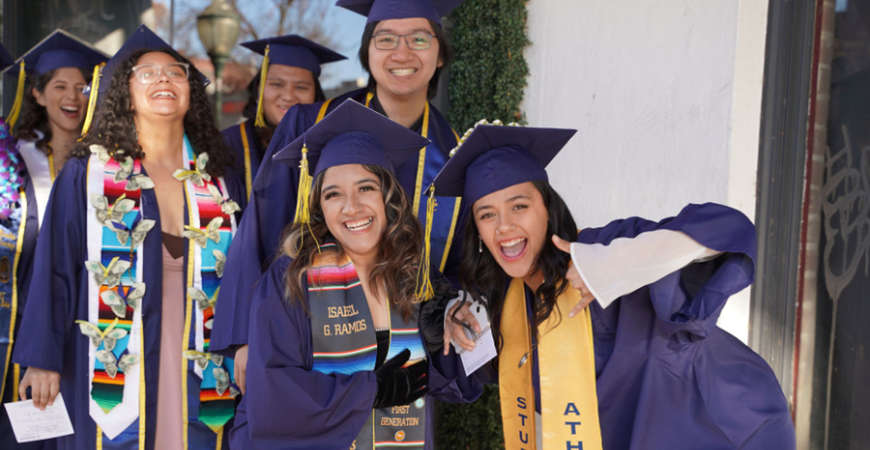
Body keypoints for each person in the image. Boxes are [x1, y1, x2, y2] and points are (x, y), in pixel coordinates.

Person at [424, 123, 796, 449]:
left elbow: (728, 231)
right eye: (487, 215)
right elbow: (452, 371)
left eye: (519, 206)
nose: (503, 226)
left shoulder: (608, 247)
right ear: (479, 235)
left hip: (728, 427)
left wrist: (612, 267)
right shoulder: (504, 309)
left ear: (548, 209)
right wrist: (446, 315)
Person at [212, 0, 466, 394]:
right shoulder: (308, 125)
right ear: (367, 54)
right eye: (386, 39)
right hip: (303, 341)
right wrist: (244, 334)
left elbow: (456, 268)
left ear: (440, 57)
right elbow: (261, 228)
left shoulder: (453, 156)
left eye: (419, 38)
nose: (402, 52)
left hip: (400, 349)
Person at [12, 25, 245, 449]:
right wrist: (41, 358)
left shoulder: (219, 181)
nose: (163, 79)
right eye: (147, 73)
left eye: (175, 72)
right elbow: (54, 267)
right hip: (118, 364)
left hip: (199, 357)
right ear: (125, 93)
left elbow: (246, 273)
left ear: (190, 92)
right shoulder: (88, 175)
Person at [231, 98, 477, 449]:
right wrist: (371, 390)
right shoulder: (291, 280)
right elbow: (272, 394)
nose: (352, 207)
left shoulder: (414, 276)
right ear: (318, 206)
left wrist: (457, 331)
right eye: (333, 195)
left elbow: (445, 382)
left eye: (366, 188)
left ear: (388, 196)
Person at [0, 32, 107, 449]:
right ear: (39, 94)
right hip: (13, 321)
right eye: (59, 86)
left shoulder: (106, 165)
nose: (73, 97)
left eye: (82, 87)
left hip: (75, 324)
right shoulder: (11, 158)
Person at [222, 35, 345, 198]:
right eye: (276, 84)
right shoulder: (228, 144)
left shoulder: (331, 148)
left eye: (301, 87)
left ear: (315, 96)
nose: (288, 96)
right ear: (258, 90)